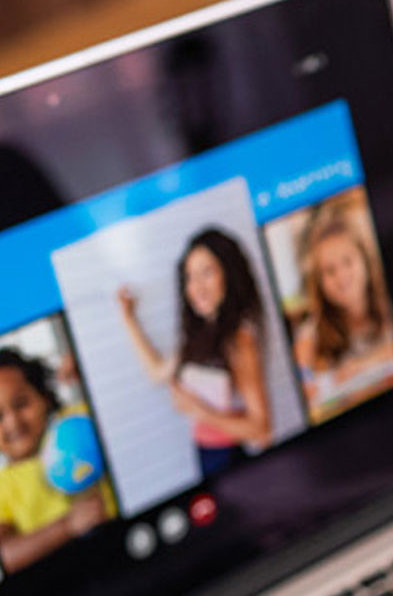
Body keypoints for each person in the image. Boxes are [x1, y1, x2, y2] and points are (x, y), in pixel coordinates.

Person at [117, 226, 273, 476]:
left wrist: (197, 409)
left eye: (207, 273)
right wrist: (128, 318)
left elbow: (261, 428)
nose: (196, 287)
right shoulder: (197, 335)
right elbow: (158, 372)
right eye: (190, 276)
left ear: (228, 274)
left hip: (230, 457)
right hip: (205, 453)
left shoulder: (238, 340)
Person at [0, 348, 111, 572]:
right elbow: (5, 555)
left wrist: (92, 369)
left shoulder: (78, 418)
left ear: (45, 398)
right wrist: (68, 526)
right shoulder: (3, 487)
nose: (13, 422)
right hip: (64, 579)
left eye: (21, 404)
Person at [290, 202, 393, 421]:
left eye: (348, 262)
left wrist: (362, 366)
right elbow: (305, 385)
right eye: (329, 271)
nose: (341, 277)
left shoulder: (391, 302)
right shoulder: (310, 335)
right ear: (319, 282)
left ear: (365, 260)